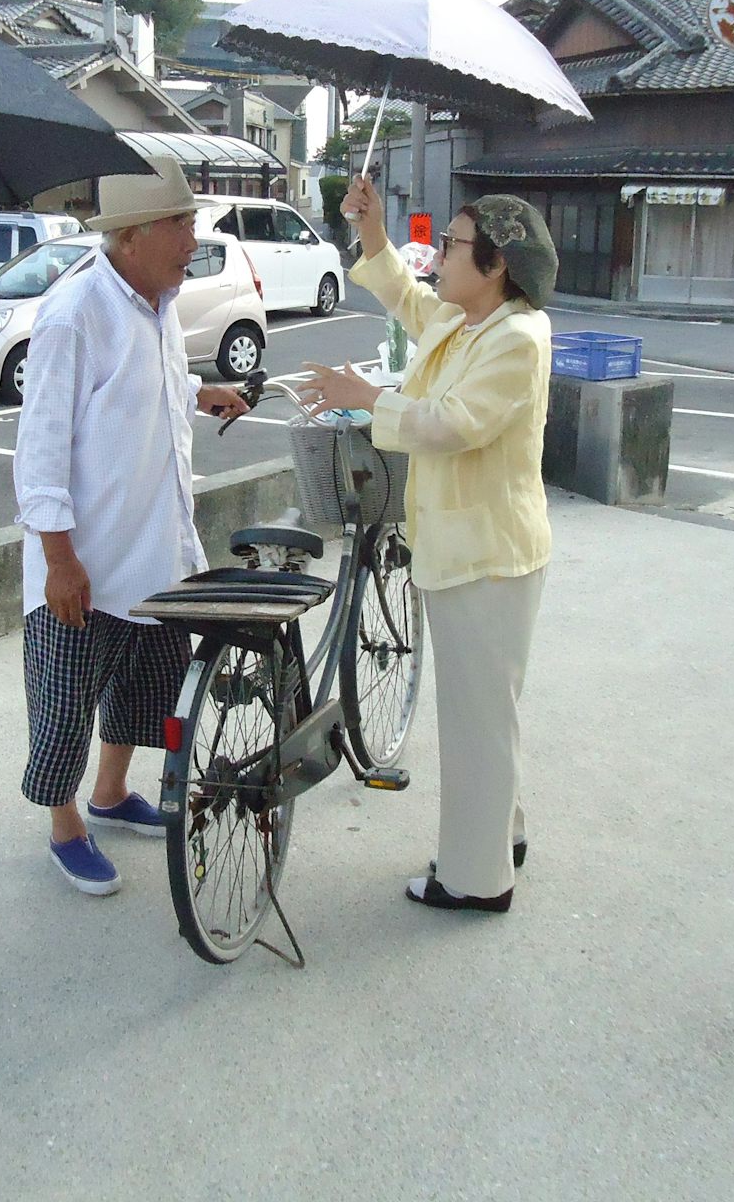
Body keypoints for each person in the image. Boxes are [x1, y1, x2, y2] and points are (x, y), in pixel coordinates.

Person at [299, 176, 557, 914]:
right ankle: (501, 836)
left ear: (497, 262)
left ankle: (477, 881)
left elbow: (452, 423)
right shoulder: (473, 320)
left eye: (453, 244)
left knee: (478, 719)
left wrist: (367, 397)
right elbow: (412, 303)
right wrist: (374, 237)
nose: (439, 254)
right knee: (487, 710)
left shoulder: (517, 335)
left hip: (489, 557)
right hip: (471, 548)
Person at [14, 157, 250, 895]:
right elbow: (42, 448)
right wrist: (59, 559)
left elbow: (147, 386)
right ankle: (65, 827)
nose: (192, 238)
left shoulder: (157, 302)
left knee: (144, 685)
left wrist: (198, 391)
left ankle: (111, 795)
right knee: (65, 701)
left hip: (153, 546)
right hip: (85, 559)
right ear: (134, 234)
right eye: (181, 223)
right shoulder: (73, 314)